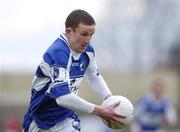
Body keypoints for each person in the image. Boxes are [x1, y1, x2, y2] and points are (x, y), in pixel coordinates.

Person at [23, 9, 125, 132]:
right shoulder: (58, 52)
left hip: (66, 118)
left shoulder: (88, 51)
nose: (88, 40)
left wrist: (109, 98)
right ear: (69, 32)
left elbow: (94, 76)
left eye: (91, 34)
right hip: (39, 121)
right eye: (84, 34)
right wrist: (99, 111)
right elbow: (63, 98)